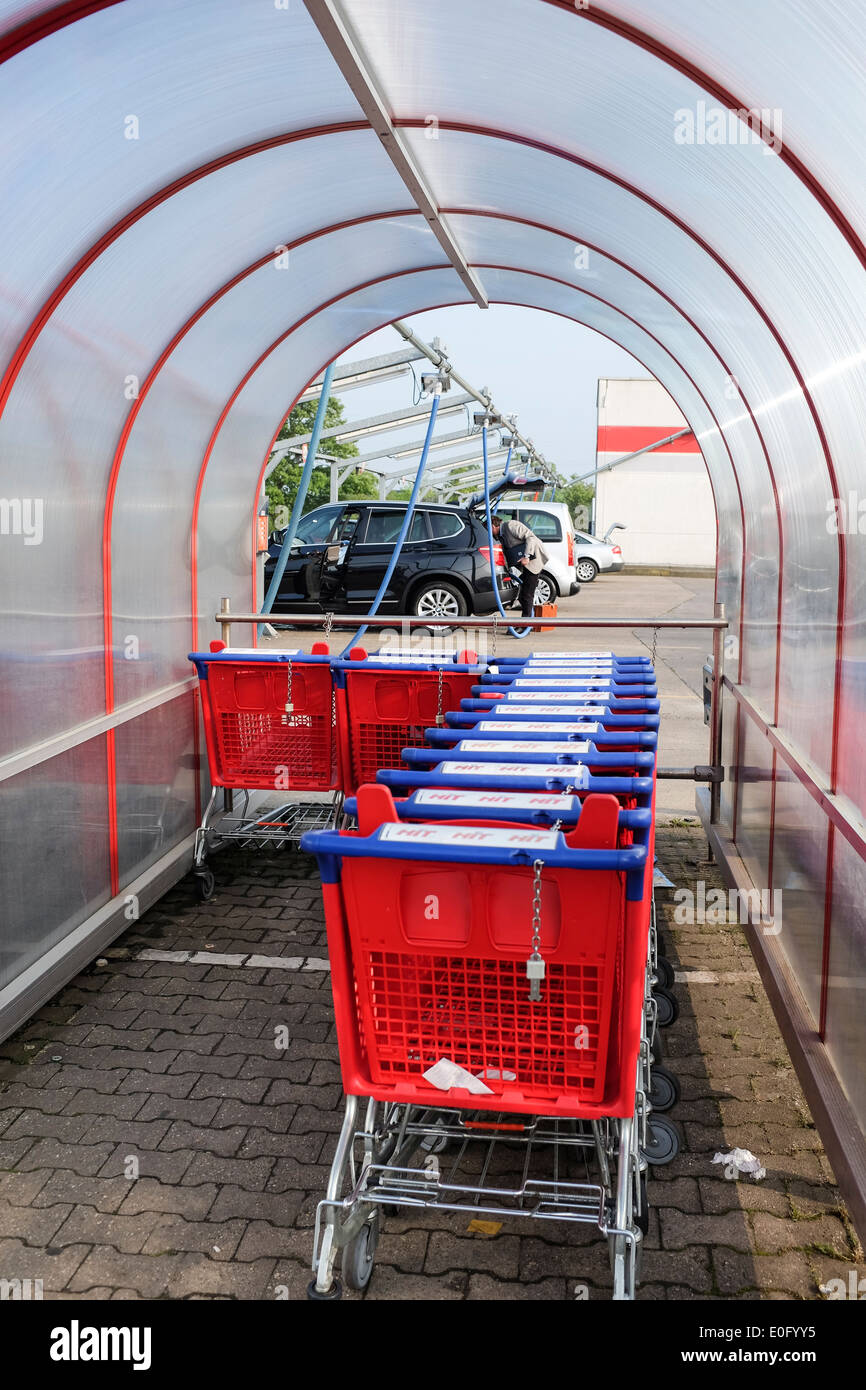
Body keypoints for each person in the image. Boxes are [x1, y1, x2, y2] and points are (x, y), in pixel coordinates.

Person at [489, 512, 550, 618]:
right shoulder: (501, 535)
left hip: (533, 561)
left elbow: (531, 537)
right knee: (522, 596)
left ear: (493, 526)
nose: (489, 534)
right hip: (525, 564)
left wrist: (527, 556)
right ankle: (527, 622)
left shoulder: (511, 525)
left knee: (527, 595)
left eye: (488, 530)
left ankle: (526, 625)